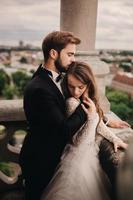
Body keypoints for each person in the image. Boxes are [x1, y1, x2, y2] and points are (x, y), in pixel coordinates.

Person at [19, 31, 129, 199]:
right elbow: (64, 129)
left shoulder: (57, 79)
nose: (73, 59)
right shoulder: (41, 88)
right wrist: (86, 108)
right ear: (53, 53)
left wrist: (104, 119)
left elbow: (60, 111)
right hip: (40, 160)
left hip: (50, 156)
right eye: (70, 54)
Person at [41, 61, 128, 200]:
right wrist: (92, 116)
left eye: (80, 87)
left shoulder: (86, 101)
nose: (75, 92)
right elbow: (78, 140)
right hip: (77, 158)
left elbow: (98, 125)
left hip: (90, 154)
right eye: (71, 86)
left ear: (88, 85)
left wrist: (115, 139)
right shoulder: (71, 103)